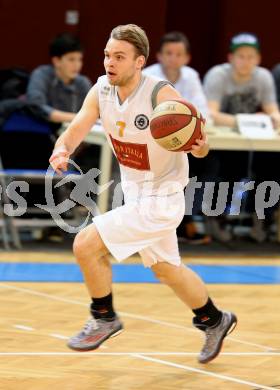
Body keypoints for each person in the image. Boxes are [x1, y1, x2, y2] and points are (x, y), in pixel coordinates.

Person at [49, 24, 237, 364]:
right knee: (167, 269)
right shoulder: (101, 90)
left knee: (86, 245)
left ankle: (103, 316)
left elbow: (201, 144)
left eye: (119, 57)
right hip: (134, 193)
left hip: (162, 197)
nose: (110, 62)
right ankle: (214, 319)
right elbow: (75, 129)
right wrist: (62, 150)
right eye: (107, 55)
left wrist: (199, 145)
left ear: (139, 62)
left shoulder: (161, 96)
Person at [203, 32, 280, 242]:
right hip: (223, 141)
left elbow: (273, 110)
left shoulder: (263, 77)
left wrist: (272, 118)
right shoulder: (218, 75)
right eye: (241, 56)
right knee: (228, 167)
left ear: (258, 59)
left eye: (250, 56)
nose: (246, 61)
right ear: (230, 58)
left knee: (271, 165)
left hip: (249, 138)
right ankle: (216, 215)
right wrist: (246, 120)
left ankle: (262, 216)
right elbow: (211, 113)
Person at [143, 31, 212, 245]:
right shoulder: (147, 76)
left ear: (186, 57)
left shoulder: (190, 76)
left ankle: (188, 219)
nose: (173, 58)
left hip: (179, 145)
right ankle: (149, 223)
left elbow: (204, 113)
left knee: (207, 164)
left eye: (178, 54)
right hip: (152, 142)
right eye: (168, 53)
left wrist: (187, 128)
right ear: (159, 56)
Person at [27, 32, 92, 124]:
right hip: (42, 129)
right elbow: (36, 106)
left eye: (80, 59)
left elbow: (93, 111)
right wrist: (76, 118)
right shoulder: (41, 75)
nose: (77, 65)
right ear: (56, 61)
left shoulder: (83, 82)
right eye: (71, 59)